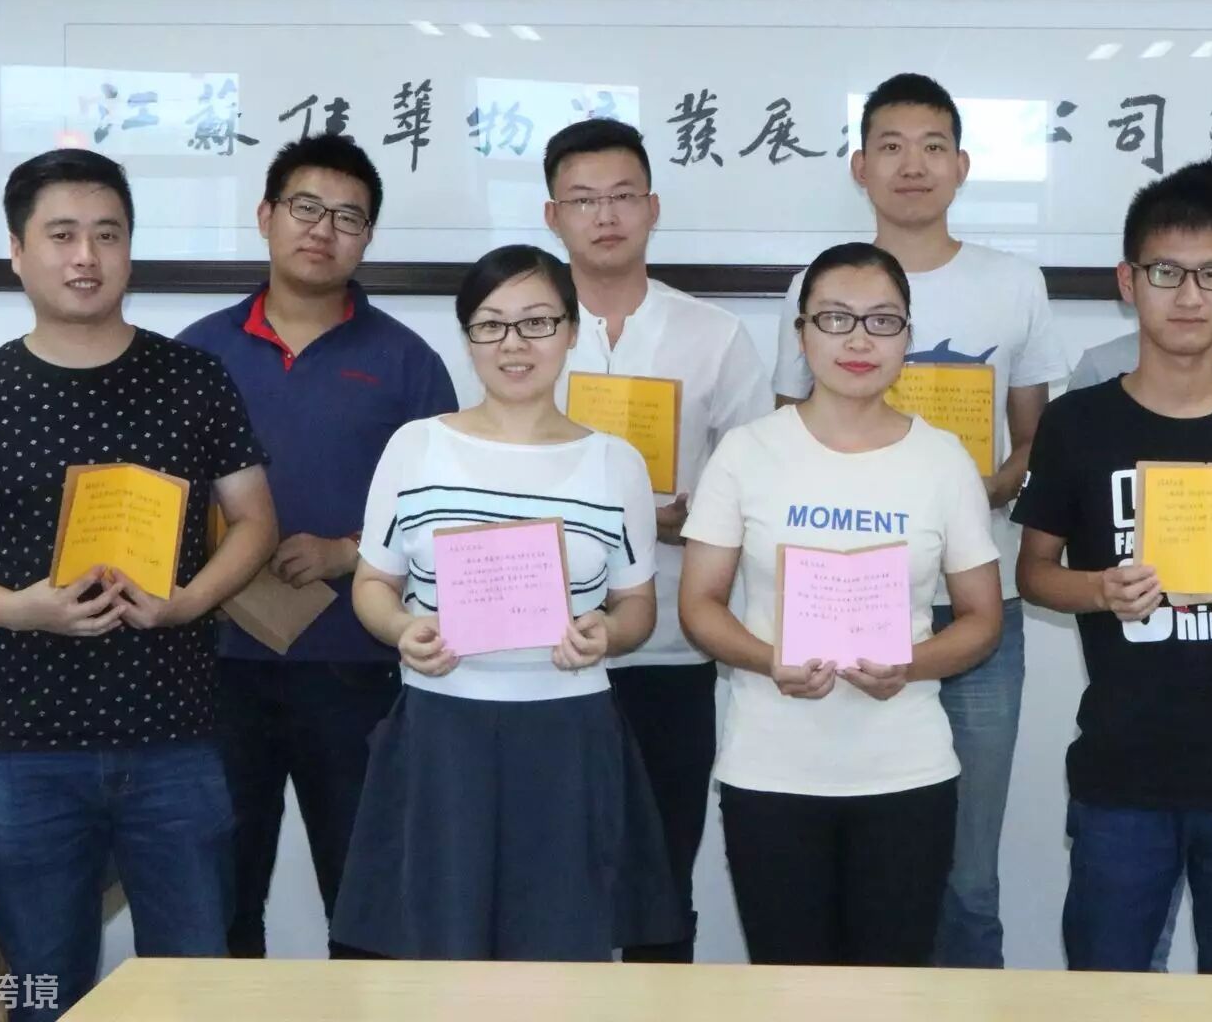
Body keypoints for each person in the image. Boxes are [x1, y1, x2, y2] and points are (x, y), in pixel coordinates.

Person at [0, 149, 277, 1020]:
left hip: (176, 733)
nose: (85, 256)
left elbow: (256, 520)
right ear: (18, 251)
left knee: (193, 990)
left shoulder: (194, 379)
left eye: (107, 234)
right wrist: (17, 608)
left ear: (129, 249)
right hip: (29, 740)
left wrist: (187, 602)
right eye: (61, 234)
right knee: (43, 989)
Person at [771, 73, 1066, 968]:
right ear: (859, 165)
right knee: (853, 855)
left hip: (975, 610)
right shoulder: (818, 283)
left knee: (968, 875)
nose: (913, 165)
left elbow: (1039, 439)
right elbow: (786, 442)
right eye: (891, 146)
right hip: (841, 609)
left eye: (934, 146)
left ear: (962, 166)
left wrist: (977, 494)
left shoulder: (1013, 282)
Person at [330, 244, 677, 961]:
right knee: (440, 948)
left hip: (568, 730)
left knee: (561, 954)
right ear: (468, 338)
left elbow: (637, 604)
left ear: (571, 331)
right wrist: (402, 629)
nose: (514, 344)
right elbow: (372, 584)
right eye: (491, 325)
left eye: (537, 322)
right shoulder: (416, 447)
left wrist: (606, 634)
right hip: (442, 726)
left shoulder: (616, 462)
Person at [1014, 172, 1212, 974]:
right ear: (1128, 282)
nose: (1189, 296)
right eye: (1166, 272)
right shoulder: (1078, 422)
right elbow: (1035, 570)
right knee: (1110, 990)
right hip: (1124, 762)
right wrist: (1098, 589)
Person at [680, 241, 1003, 967]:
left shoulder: (942, 459)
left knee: (890, 993)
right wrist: (770, 659)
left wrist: (910, 664)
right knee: (790, 991)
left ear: (908, 338)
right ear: (801, 335)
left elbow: (983, 618)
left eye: (882, 321)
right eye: (835, 318)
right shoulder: (747, 452)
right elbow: (699, 604)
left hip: (906, 771)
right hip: (771, 770)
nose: (859, 340)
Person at [177, 133, 459, 958]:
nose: (322, 229)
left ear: (367, 238)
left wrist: (349, 553)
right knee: (221, 898)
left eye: (348, 217)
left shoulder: (407, 363)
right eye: (305, 207)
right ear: (265, 215)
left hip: (356, 664)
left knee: (367, 903)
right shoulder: (196, 352)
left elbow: (445, 513)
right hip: (217, 664)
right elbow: (161, 498)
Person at [536, 117, 770, 961]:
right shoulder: (520, 331)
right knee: (548, 880)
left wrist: (682, 522)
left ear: (653, 207)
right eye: (583, 200)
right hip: (541, 656)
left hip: (673, 650)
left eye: (623, 196)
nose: (605, 216)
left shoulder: (715, 336)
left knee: (662, 883)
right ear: (553, 215)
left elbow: (758, 487)